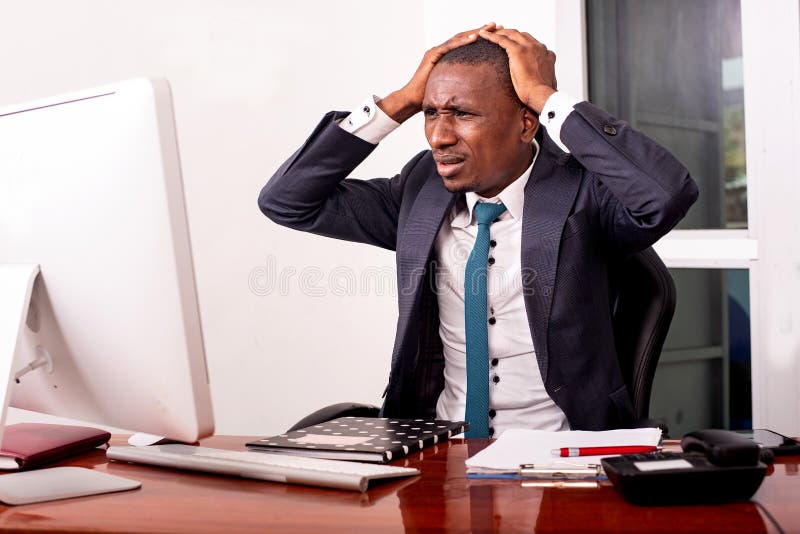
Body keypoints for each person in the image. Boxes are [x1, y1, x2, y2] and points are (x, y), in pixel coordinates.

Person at [259, 24, 698, 437]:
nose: (439, 136)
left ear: (527, 123)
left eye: (462, 113)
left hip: (560, 457)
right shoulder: (420, 191)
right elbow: (287, 200)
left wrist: (547, 99)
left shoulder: (583, 197)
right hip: (440, 450)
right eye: (431, 113)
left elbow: (665, 195)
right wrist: (398, 104)